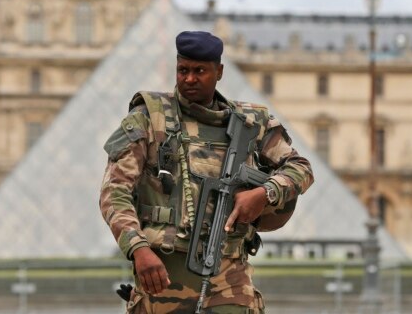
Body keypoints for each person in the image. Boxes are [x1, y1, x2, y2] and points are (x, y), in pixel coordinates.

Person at [99, 31, 314, 313]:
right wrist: (138, 248)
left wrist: (265, 193)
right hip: (162, 274)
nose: (189, 79)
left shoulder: (252, 124)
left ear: (219, 72)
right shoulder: (149, 118)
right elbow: (114, 192)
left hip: (230, 278)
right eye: (182, 70)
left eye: (199, 71)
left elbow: (301, 168)